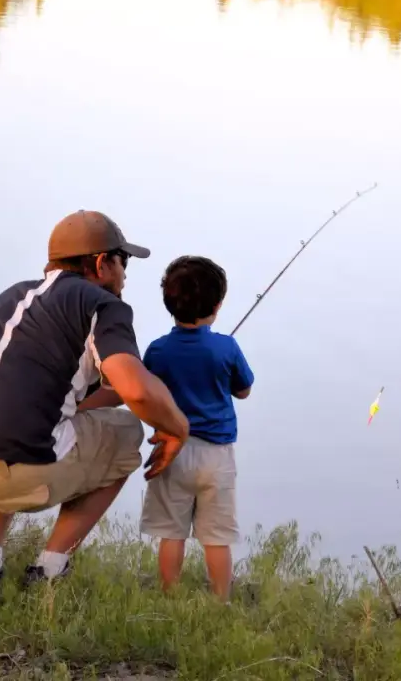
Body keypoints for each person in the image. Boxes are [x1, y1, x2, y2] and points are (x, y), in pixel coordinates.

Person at [0, 210, 190, 588]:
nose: (125, 274)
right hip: (16, 475)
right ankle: (50, 569)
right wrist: (177, 427)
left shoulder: (11, 297)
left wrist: (131, 394)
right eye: (123, 261)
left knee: (0, 414)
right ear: (101, 264)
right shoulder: (104, 305)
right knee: (127, 432)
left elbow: (86, 394)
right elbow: (136, 391)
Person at [138, 255, 254, 600]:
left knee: (171, 533)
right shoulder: (226, 346)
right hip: (216, 457)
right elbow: (244, 390)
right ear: (217, 306)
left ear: (169, 303)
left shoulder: (158, 350)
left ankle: (169, 596)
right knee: (217, 537)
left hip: (170, 452)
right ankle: (221, 601)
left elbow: (148, 392)